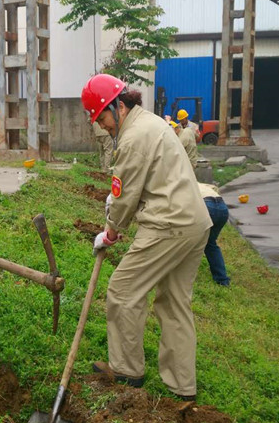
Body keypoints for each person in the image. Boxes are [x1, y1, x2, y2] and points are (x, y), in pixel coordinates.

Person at [81, 74, 211, 400]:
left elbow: (125, 197)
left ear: (118, 107)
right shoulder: (150, 123)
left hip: (169, 224)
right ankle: (182, 388)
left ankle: (127, 372)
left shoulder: (133, 136)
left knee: (124, 290)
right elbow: (140, 184)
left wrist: (110, 232)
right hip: (195, 222)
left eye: (103, 119)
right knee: (174, 303)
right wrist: (119, 201)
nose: (104, 127)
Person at [198, 182, 230, 286]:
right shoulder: (203, 184)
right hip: (222, 207)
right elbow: (215, 188)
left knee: (188, 241)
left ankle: (181, 275)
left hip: (206, 205)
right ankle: (222, 280)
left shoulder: (184, 183)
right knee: (210, 244)